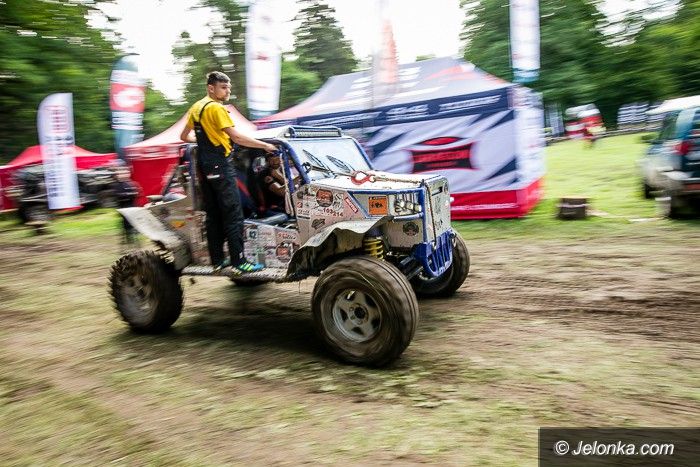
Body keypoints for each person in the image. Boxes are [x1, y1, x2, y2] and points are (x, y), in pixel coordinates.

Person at [180, 71, 276, 273]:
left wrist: (205, 141)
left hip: (204, 166)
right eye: (223, 88)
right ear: (211, 88)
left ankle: (217, 261)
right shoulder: (216, 108)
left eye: (228, 87)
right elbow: (238, 138)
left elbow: (184, 136)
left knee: (213, 214)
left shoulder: (196, 107)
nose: (227, 91)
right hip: (221, 165)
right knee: (233, 214)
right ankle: (239, 263)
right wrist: (264, 145)